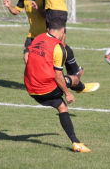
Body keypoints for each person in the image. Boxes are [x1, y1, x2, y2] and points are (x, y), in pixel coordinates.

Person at [24, 17, 99, 153]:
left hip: (31, 87)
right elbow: (58, 77)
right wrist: (67, 93)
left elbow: (26, 57)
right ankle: (81, 87)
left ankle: (76, 143)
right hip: (47, 87)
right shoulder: (58, 48)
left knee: (62, 107)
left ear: (48, 29)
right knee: (74, 79)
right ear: (63, 30)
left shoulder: (38, 37)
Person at [3, 0, 47, 64]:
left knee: (43, 60)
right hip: (32, 34)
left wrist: (37, 8)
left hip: (45, 34)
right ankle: (33, 77)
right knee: (26, 58)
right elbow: (15, 11)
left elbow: (48, 15)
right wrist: (9, 6)